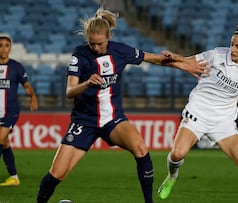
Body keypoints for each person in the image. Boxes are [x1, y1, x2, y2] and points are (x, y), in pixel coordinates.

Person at [36, 9, 208, 203]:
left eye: (100, 43)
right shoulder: (80, 55)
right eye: (92, 43)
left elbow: (156, 59)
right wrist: (86, 83)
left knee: (141, 148)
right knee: (58, 173)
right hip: (84, 121)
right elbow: (69, 91)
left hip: (113, 119)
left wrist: (184, 64)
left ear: (108, 37)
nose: (96, 48)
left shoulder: (120, 51)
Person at [157, 16, 238, 203]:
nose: (233, 49)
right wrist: (175, 57)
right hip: (198, 113)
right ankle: (172, 176)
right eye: (232, 44)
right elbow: (190, 61)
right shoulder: (217, 55)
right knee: (177, 154)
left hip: (223, 122)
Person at [0, 34, 38, 186]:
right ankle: (14, 177)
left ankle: (14, 177)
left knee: (0, 139)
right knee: (5, 143)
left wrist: (33, 98)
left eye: (6, 45)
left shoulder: (16, 67)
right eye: (0, 45)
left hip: (10, 111)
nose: (3, 49)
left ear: (10, 48)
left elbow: (27, 86)